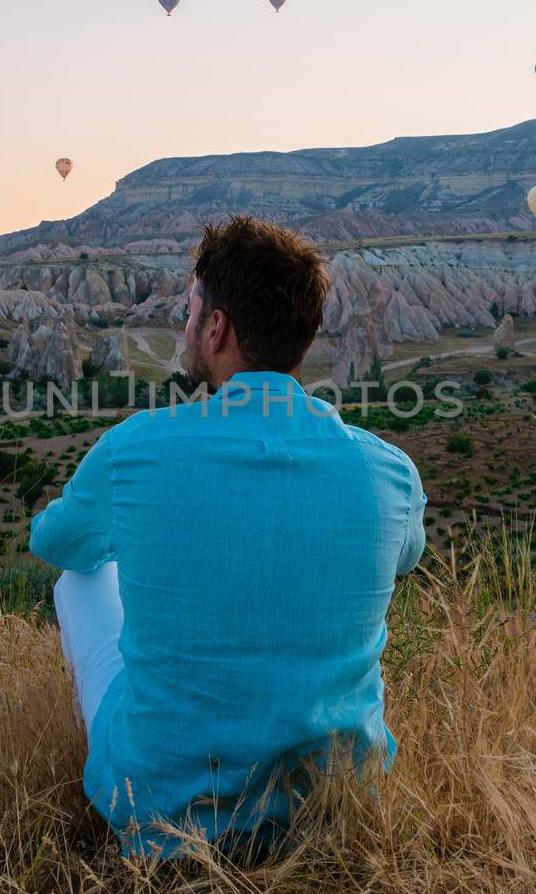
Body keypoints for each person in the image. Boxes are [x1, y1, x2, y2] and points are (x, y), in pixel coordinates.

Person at [30, 215, 426, 857]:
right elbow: (408, 557)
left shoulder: (136, 448)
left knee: (84, 577)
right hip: (334, 805)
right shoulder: (388, 470)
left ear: (216, 328)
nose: (187, 328)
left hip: (161, 812)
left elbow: (55, 544)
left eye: (191, 313)